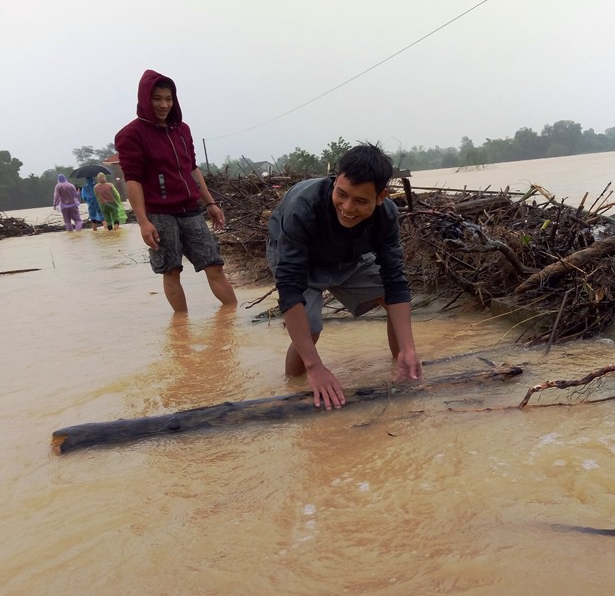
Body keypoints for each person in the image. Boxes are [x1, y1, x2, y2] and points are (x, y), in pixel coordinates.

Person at [267, 143, 422, 411]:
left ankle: (404, 368)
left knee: (387, 294)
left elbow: (395, 280)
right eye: (342, 194)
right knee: (310, 328)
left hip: (349, 255)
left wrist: (409, 348)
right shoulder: (303, 206)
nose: (347, 208)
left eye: (361, 201)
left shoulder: (386, 216)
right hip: (298, 261)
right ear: (335, 179)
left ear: (381, 196)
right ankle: (294, 388)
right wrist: (316, 366)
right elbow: (290, 286)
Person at [114, 69, 237, 313]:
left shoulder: (182, 129)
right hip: (159, 214)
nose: (163, 105)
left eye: (168, 99)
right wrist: (143, 222)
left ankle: (232, 318)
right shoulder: (130, 135)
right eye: (157, 98)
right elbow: (133, 180)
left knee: (214, 265)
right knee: (171, 271)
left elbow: (192, 168)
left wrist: (210, 203)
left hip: (190, 209)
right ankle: (182, 326)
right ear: (145, 99)